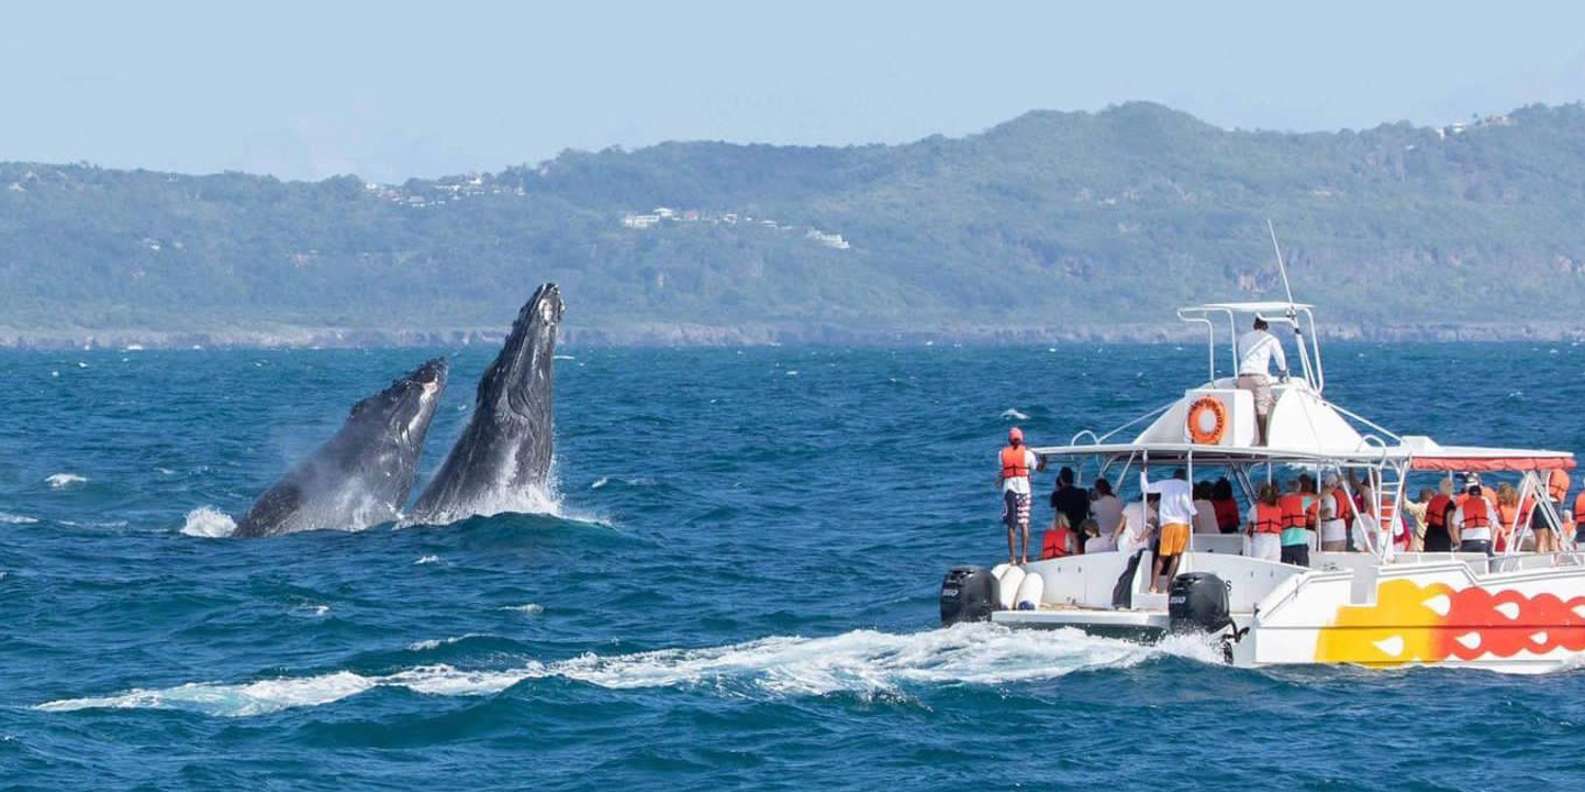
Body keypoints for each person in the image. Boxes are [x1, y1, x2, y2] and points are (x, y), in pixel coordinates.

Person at [1236, 317, 1288, 446]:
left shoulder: (1244, 338)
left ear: (1254, 326)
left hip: (1243, 376)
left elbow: (1242, 355)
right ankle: (1262, 441)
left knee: (1245, 408)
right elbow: (1280, 358)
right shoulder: (1270, 339)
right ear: (1266, 327)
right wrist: (1283, 371)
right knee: (1262, 407)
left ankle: (1244, 439)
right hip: (1258, 376)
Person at [1141, 469, 1194, 594]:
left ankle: (1153, 586)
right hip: (1182, 524)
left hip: (1167, 524)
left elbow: (1146, 488)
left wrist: (1143, 473)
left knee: (1162, 556)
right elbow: (1187, 503)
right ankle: (1168, 587)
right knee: (1176, 556)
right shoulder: (1187, 485)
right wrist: (1194, 513)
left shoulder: (1165, 483)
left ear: (1173, 476)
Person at [999, 427, 1041, 565]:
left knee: (1011, 525)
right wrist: (1044, 461)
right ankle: (1024, 557)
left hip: (1009, 489)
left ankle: (1012, 558)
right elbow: (1037, 468)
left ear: (1009, 440)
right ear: (1021, 439)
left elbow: (1002, 470)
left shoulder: (1001, 454)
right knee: (1024, 523)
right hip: (1024, 490)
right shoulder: (1028, 454)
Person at [1049, 467, 1090, 553]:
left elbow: (1052, 504)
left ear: (1061, 479)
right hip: (1082, 529)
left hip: (1066, 530)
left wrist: (1057, 489)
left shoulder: (1057, 495)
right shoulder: (1082, 492)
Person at [1451, 482, 1497, 555]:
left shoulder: (1461, 509)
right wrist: (1491, 538)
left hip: (1467, 541)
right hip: (1484, 539)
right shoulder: (1488, 508)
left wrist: (1459, 543)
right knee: (1487, 563)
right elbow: (1494, 525)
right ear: (1480, 495)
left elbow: (1454, 528)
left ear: (1469, 495)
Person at [1277, 480, 1311, 566]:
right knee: (1304, 570)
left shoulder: (1279, 501)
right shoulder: (1302, 501)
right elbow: (1320, 496)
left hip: (1285, 542)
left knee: (1285, 572)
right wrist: (1335, 485)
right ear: (1298, 489)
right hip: (1300, 542)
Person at [1247, 483, 1284, 562]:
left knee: (1257, 567)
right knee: (1273, 569)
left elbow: (1249, 528)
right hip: (1275, 543)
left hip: (1261, 541)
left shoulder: (1255, 509)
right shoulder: (1279, 509)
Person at [1116, 493, 1158, 558]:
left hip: (1124, 542)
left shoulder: (1129, 506)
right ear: (1152, 501)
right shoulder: (1153, 513)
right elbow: (1148, 529)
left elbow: (1120, 525)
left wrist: (1113, 540)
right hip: (1140, 545)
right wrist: (1140, 540)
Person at [1317, 473, 1351, 552]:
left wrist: (1318, 515)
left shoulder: (1329, 496)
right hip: (1342, 534)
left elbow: (1328, 512)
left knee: (1329, 562)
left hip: (1330, 535)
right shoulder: (1343, 495)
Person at [1421, 479, 1457, 552]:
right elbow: (1449, 525)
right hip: (1442, 538)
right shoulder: (1450, 504)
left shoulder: (1433, 500)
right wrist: (1455, 541)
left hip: (1429, 536)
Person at [1090, 477, 1124, 542]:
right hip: (1119, 534)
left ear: (1097, 490)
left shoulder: (1095, 504)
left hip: (1104, 536)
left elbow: (1090, 511)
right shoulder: (1119, 501)